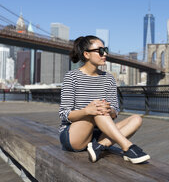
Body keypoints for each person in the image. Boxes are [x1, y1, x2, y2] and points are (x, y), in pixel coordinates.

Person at [59, 35, 150, 164]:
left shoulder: (108, 79)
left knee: (137, 119)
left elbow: (115, 111)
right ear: (87, 54)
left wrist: (109, 109)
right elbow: (64, 114)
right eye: (100, 51)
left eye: (105, 49)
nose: (105, 54)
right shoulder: (71, 77)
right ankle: (128, 147)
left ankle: (99, 146)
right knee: (97, 109)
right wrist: (87, 111)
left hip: (100, 135)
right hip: (75, 135)